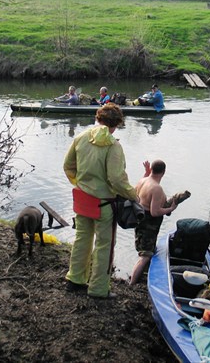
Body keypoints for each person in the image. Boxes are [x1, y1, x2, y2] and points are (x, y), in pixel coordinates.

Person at [64, 104, 137, 299]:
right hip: (103, 204)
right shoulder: (113, 146)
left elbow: (68, 166)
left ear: (98, 118)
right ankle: (98, 289)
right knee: (105, 245)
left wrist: (81, 184)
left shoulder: (80, 138)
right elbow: (116, 179)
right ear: (116, 125)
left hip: (81, 199)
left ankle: (75, 280)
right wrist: (134, 196)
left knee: (82, 239)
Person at [130, 159, 178, 285]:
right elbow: (155, 212)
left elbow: (136, 194)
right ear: (163, 172)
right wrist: (170, 208)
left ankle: (143, 278)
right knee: (145, 255)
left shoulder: (143, 180)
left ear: (151, 169)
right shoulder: (157, 189)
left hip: (139, 219)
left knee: (146, 251)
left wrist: (146, 172)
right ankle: (132, 283)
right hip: (148, 224)